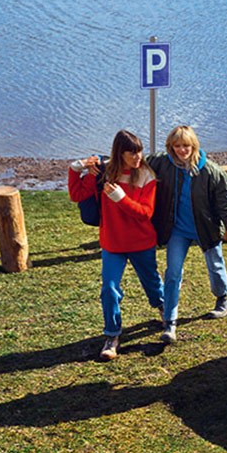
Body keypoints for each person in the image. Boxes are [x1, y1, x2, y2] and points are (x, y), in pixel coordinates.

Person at [68, 130, 164, 361]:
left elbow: (145, 214)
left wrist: (121, 198)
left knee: (152, 284)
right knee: (109, 289)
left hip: (141, 242)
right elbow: (76, 194)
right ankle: (112, 336)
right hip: (112, 243)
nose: (137, 157)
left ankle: (164, 311)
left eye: (139, 151)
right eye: (132, 153)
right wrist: (74, 169)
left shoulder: (146, 176)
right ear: (119, 153)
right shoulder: (103, 173)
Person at [146, 125, 227, 344]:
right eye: (177, 146)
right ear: (171, 147)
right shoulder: (162, 163)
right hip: (177, 229)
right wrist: (102, 162)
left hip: (205, 227)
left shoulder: (211, 171)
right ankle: (170, 322)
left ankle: (223, 297)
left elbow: (226, 203)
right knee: (173, 272)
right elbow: (133, 162)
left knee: (215, 265)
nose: (181, 150)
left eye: (185, 145)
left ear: (194, 145)